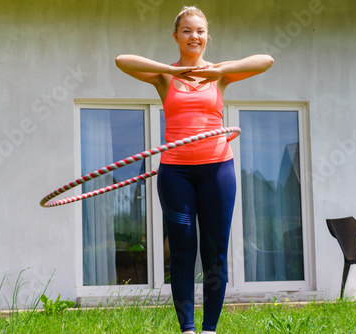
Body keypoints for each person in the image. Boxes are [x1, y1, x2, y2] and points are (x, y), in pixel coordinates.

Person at [115, 6, 273, 334]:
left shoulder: (220, 74)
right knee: (184, 252)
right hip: (176, 172)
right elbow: (122, 60)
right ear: (176, 37)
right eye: (186, 30)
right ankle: (187, 328)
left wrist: (218, 70)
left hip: (217, 169)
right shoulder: (164, 77)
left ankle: (209, 329)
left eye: (200, 30)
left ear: (207, 37)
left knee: (214, 254)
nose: (194, 36)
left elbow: (266, 60)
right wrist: (171, 72)